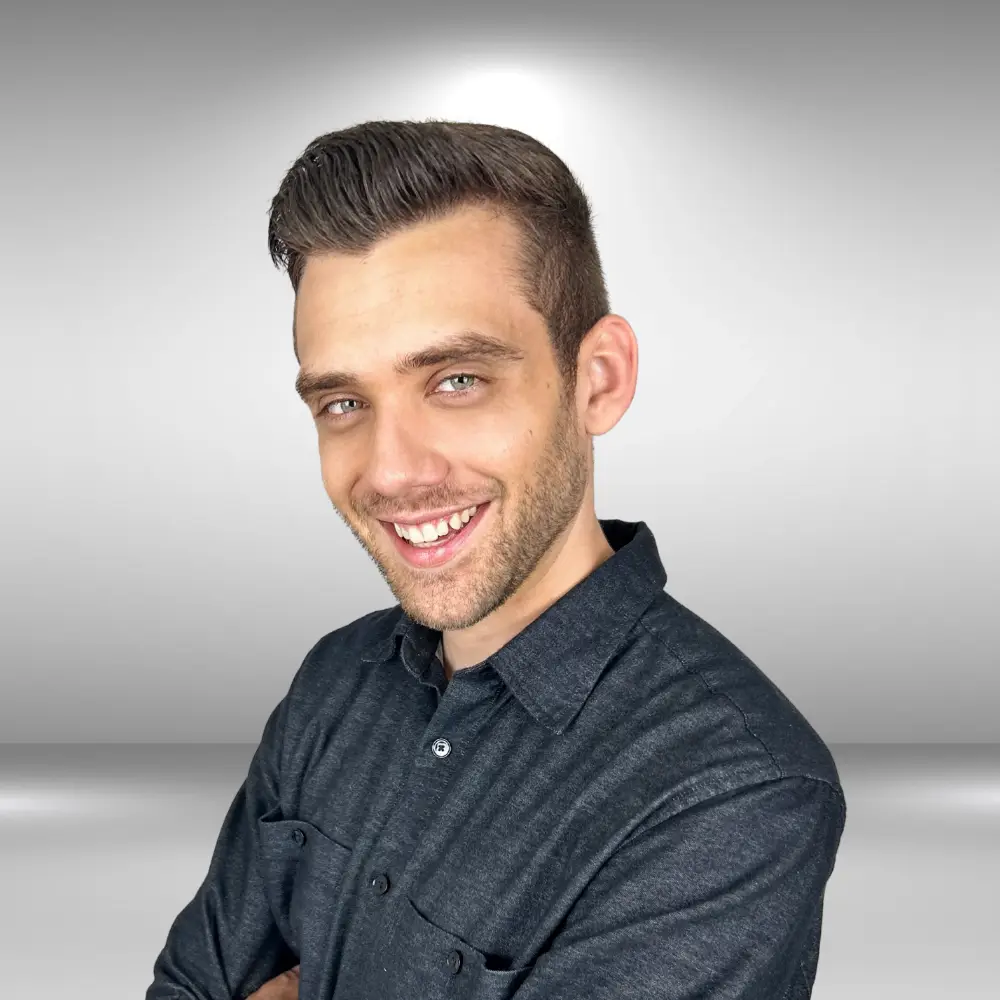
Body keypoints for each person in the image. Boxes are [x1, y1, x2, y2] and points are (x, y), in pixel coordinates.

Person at [146, 120, 846, 1000]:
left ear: (598, 379)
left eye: (457, 381)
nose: (392, 470)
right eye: (343, 400)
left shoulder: (732, 792)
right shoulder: (335, 680)